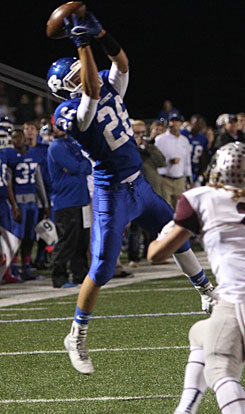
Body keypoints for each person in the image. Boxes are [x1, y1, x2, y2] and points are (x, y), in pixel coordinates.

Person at [46, 10, 214, 375]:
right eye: (73, 75)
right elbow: (89, 94)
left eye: (79, 69)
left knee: (177, 234)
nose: (81, 73)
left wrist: (101, 34)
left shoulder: (102, 84)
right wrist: (82, 44)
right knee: (102, 268)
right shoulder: (68, 110)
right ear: (63, 88)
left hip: (139, 183)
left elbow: (121, 64)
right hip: (111, 193)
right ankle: (76, 333)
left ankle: (206, 292)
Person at [147, 141, 245, 413]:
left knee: (220, 370)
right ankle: (186, 408)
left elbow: (156, 255)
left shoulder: (203, 197)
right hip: (234, 301)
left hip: (237, 298)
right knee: (200, 333)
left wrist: (167, 231)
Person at [47, 124, 92, 288]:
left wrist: (79, 165)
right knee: (67, 241)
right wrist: (79, 165)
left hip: (81, 199)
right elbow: (76, 167)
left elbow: (87, 166)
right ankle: (59, 277)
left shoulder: (72, 142)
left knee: (82, 240)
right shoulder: (56, 146)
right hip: (66, 201)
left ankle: (80, 274)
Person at [3, 129, 49, 280]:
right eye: (14, 138)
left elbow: (38, 180)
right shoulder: (9, 156)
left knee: (30, 237)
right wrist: (14, 205)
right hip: (19, 201)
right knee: (17, 236)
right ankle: (13, 268)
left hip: (32, 202)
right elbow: (8, 182)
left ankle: (26, 267)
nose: (17, 140)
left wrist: (44, 203)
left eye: (19, 137)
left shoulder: (33, 154)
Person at [155, 113, 192, 209]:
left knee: (180, 209)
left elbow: (187, 161)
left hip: (180, 180)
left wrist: (189, 178)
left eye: (177, 121)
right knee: (166, 209)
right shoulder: (160, 139)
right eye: (172, 121)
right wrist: (168, 161)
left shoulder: (184, 140)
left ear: (181, 123)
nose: (174, 123)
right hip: (165, 179)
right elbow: (155, 159)